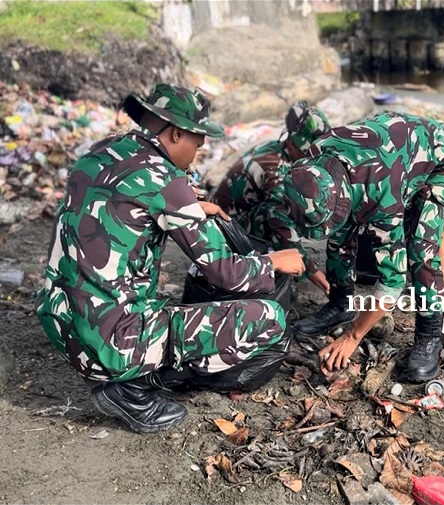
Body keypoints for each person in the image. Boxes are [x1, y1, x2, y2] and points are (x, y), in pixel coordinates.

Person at [36, 84, 306, 433]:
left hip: (62, 325)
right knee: (269, 318)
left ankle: (122, 368)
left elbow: (125, 205)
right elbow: (224, 272)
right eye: (197, 139)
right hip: (109, 343)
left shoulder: (99, 153)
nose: (201, 147)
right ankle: (130, 388)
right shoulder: (165, 180)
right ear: (176, 133)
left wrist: (189, 207)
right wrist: (274, 262)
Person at [267, 112, 444, 382]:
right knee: (340, 237)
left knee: (421, 251)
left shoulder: (382, 194)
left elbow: (393, 279)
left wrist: (353, 336)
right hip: (387, 151)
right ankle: (340, 305)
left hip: (438, 153)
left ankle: (429, 336)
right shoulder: (309, 163)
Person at [211, 101, 331, 294]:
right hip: (227, 230)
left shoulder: (280, 150)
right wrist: (310, 270)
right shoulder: (275, 169)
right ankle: (266, 263)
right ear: (291, 142)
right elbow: (279, 222)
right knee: (283, 210)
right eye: (307, 152)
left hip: (239, 215)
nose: (312, 158)